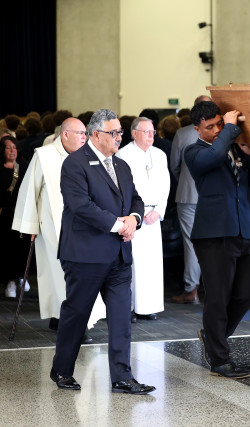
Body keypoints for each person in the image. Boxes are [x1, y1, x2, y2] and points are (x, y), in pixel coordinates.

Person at [50, 109, 155, 395]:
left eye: (120, 132)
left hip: (119, 255)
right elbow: (80, 206)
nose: (120, 137)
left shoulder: (121, 165)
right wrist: (119, 225)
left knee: (121, 318)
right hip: (85, 255)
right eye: (114, 132)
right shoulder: (75, 163)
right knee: (77, 314)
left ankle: (122, 377)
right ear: (96, 134)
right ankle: (62, 370)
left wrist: (134, 218)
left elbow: (136, 198)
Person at [184, 101, 250, 378]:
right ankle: (219, 359)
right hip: (214, 233)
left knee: (248, 293)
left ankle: (213, 336)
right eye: (211, 127)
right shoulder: (194, 152)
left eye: (220, 124)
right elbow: (214, 156)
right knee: (218, 297)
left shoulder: (232, 147)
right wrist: (231, 127)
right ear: (197, 129)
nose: (218, 130)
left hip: (243, 229)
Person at [12, 118, 106, 339]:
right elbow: (30, 191)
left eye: (85, 133)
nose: (85, 137)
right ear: (65, 134)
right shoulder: (44, 156)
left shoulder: (89, 155)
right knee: (60, 276)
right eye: (80, 133)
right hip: (53, 228)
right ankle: (74, 323)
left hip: (84, 227)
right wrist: (30, 225)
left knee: (81, 275)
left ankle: (66, 318)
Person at [116, 117, 170, 322]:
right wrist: (133, 213)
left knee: (151, 264)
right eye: (146, 132)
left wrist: (159, 211)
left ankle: (147, 307)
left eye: (153, 132)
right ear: (134, 133)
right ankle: (129, 307)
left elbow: (166, 185)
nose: (151, 135)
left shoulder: (160, 155)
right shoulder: (123, 154)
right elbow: (122, 188)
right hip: (133, 215)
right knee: (132, 263)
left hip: (153, 216)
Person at [170, 95, 212, 304]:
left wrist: (186, 181)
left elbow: (174, 166)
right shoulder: (220, 134)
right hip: (213, 196)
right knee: (212, 242)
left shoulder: (182, 133)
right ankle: (212, 289)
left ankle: (191, 289)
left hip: (188, 195)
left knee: (191, 243)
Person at [1, 136, 29, 298]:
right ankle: (10, 281)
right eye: (8, 147)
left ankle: (21, 276)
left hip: (22, 214)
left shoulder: (24, 167)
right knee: (7, 248)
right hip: (4, 216)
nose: (12, 150)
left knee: (22, 248)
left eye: (14, 147)